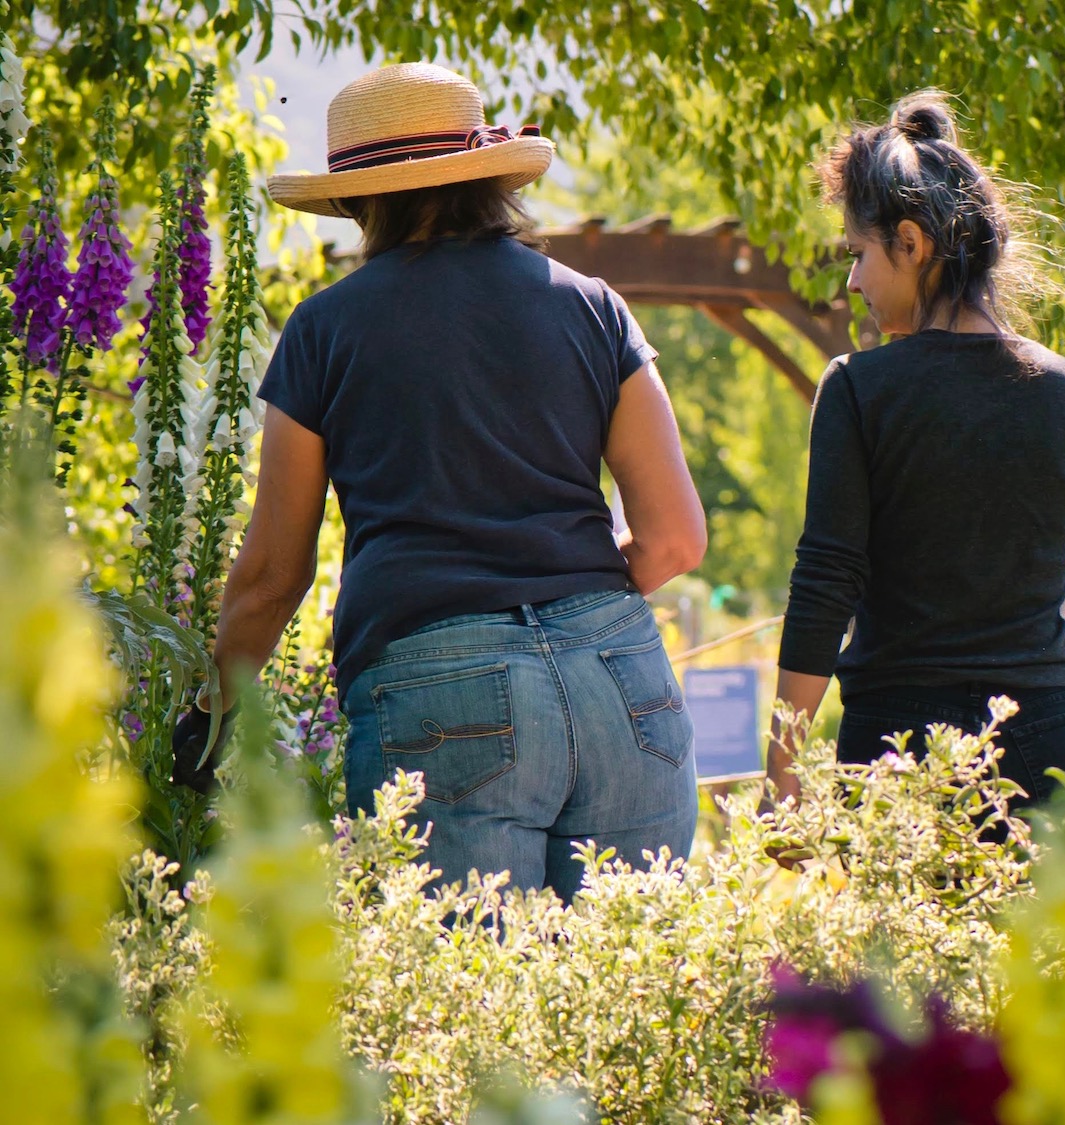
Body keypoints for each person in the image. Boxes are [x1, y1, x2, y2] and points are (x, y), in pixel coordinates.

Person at [171, 63, 706, 904]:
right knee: (630, 1010)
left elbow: (275, 573)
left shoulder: (324, 331)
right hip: (624, 683)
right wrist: (570, 598)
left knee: (461, 1023)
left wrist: (212, 710)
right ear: (490, 180)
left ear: (357, 201)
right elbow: (676, 537)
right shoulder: (594, 306)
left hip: (438, 688)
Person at [766, 91, 1065, 817]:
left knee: (907, 937)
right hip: (1051, 739)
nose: (853, 281)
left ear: (911, 243)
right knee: (1053, 936)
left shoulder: (859, 391)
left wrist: (784, 780)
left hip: (897, 745)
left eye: (859, 255)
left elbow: (825, 585)